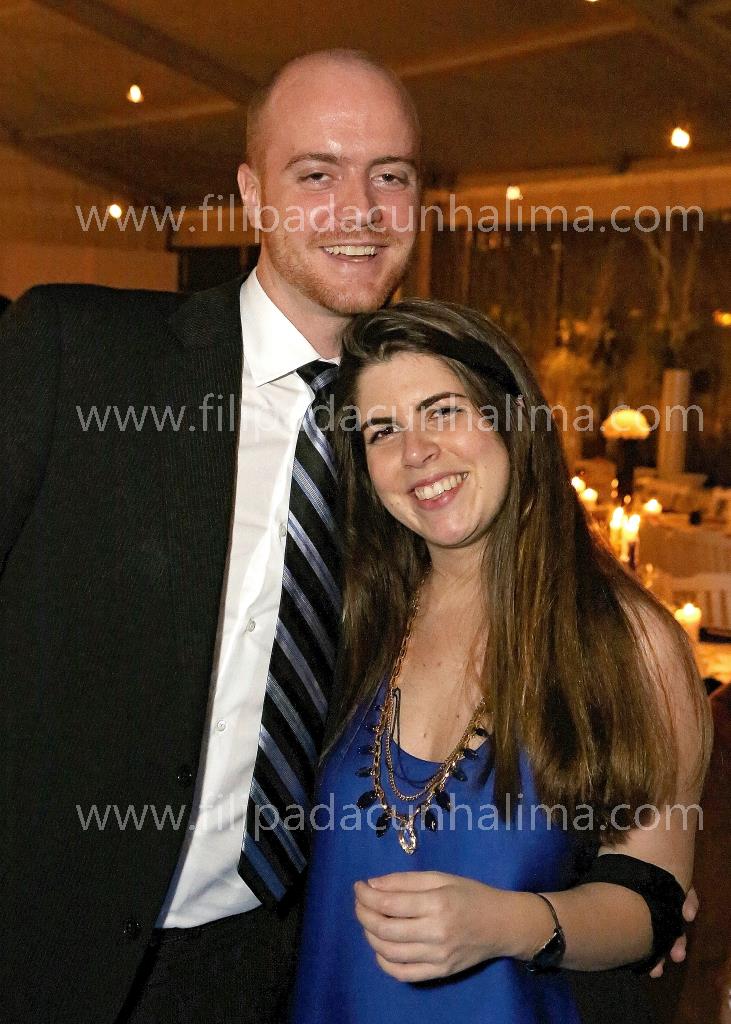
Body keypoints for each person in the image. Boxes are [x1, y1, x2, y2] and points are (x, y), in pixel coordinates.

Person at [0, 50, 419, 1024]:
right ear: (250, 194)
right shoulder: (80, 354)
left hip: (262, 971)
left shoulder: (421, 443)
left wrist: (620, 885)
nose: (359, 209)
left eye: (389, 175)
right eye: (315, 173)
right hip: (36, 941)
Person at [291, 299, 712, 1023]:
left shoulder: (629, 642)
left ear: (511, 419)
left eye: (443, 411)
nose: (415, 451)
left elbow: (653, 902)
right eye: (382, 431)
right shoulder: (349, 622)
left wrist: (504, 923)